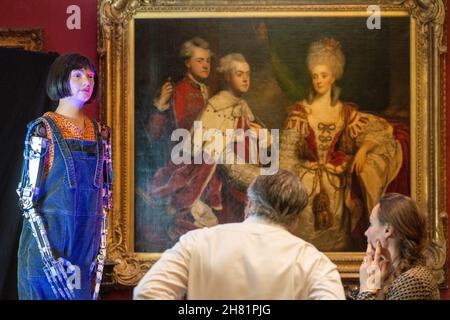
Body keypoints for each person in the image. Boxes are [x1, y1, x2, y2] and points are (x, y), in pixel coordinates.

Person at [134, 169, 346, 300]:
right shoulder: (315, 263)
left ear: (250, 204)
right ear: (297, 218)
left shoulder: (197, 242)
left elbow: (149, 293)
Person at [280, 38, 408, 251]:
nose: (319, 81)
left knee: (338, 243)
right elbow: (287, 157)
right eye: (315, 76)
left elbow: (379, 132)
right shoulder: (300, 112)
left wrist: (364, 149)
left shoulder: (344, 113)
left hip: (336, 189)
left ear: (333, 77)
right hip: (306, 187)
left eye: (324, 75)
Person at [17, 53, 112, 300]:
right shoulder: (42, 129)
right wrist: (50, 259)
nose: (87, 81)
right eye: (78, 75)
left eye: (90, 75)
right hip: (48, 248)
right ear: (61, 78)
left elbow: (105, 198)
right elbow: (27, 200)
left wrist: (99, 252)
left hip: (86, 251)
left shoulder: (101, 133)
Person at [356, 193, 439, 300]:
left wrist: (366, 290)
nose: (366, 233)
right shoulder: (395, 275)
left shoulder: (413, 282)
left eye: (371, 224)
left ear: (387, 230)